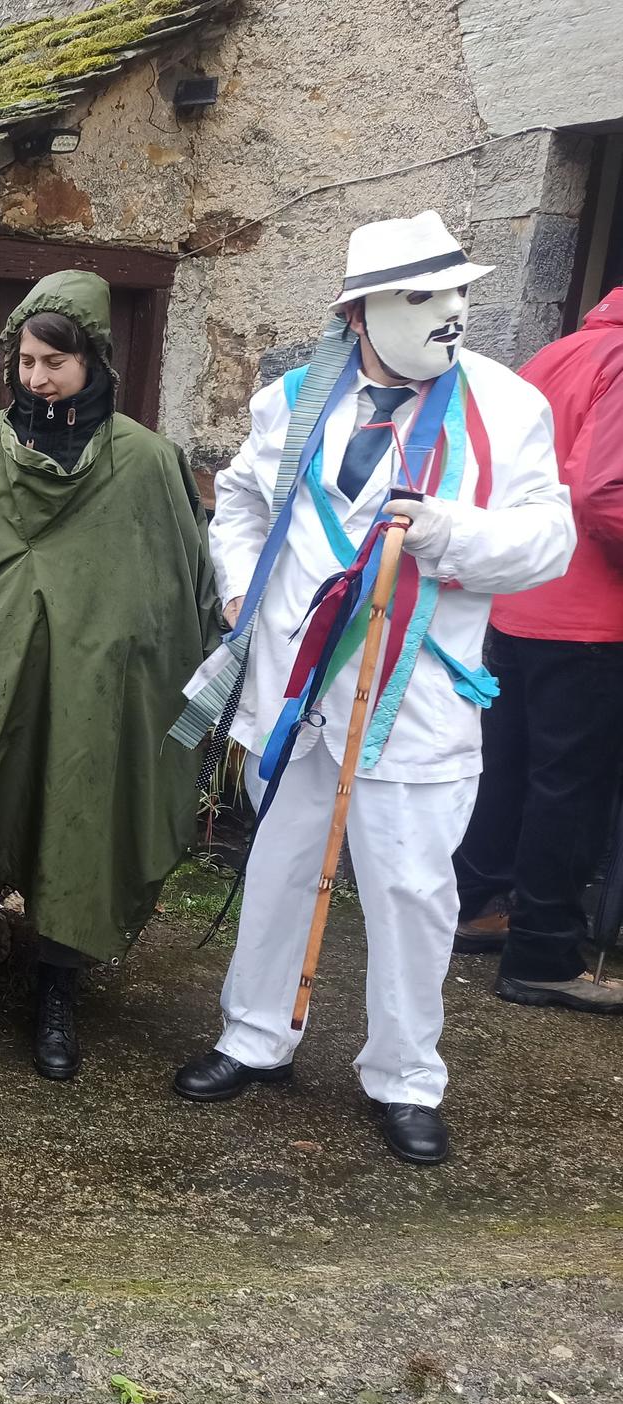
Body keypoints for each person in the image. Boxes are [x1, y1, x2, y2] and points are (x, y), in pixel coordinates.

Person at [174, 211, 575, 1165]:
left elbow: (547, 542)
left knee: (412, 890)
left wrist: (444, 532)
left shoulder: (509, 408)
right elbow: (238, 498)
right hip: (298, 691)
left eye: (457, 294)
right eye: (419, 298)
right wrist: (238, 587)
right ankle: (256, 1036)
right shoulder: (293, 401)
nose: (449, 315)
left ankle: (405, 1075)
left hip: (417, 698)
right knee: (276, 867)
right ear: (358, 313)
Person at [0, 270, 218, 1080]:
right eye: (27, 361)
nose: (37, 378)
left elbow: (177, 591)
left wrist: (133, 654)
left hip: (91, 688)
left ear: (93, 359)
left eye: (56, 363)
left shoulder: (146, 463)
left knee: (81, 812)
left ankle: (58, 991)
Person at [452, 287, 623, 1015]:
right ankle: (544, 953)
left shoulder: (561, 349)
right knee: (570, 788)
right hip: (589, 612)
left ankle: (471, 904)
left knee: (508, 767)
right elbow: (607, 491)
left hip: (519, 599)